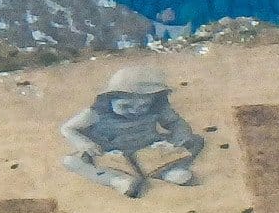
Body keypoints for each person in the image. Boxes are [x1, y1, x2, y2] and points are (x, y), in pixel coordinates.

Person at [59, 65, 205, 197]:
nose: (134, 111)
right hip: (111, 155)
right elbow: (68, 128)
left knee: (195, 140)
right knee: (71, 161)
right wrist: (83, 143)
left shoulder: (157, 109)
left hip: (148, 150)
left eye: (143, 106)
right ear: (109, 99)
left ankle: (169, 171)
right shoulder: (97, 113)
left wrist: (175, 141)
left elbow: (176, 123)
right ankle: (117, 180)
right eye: (125, 106)